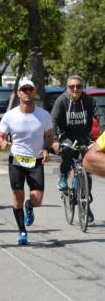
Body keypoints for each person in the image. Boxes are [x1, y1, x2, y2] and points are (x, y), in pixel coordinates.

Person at [0, 78, 59, 245]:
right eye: (24, 89)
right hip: (16, 159)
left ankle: (29, 206)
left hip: (35, 161)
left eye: (30, 89)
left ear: (34, 92)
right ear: (18, 93)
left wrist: (47, 148)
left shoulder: (43, 115)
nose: (27, 92)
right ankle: (22, 230)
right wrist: (2, 143)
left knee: (37, 199)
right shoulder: (10, 115)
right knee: (17, 195)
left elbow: (50, 136)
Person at [51, 75, 104, 224]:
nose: (75, 89)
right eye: (72, 86)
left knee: (87, 169)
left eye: (79, 86)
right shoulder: (61, 101)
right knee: (68, 151)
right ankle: (62, 175)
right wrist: (54, 140)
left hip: (84, 137)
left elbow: (100, 115)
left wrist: (101, 135)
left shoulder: (88, 100)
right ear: (67, 88)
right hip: (66, 136)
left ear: (83, 87)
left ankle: (85, 205)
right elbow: (53, 121)